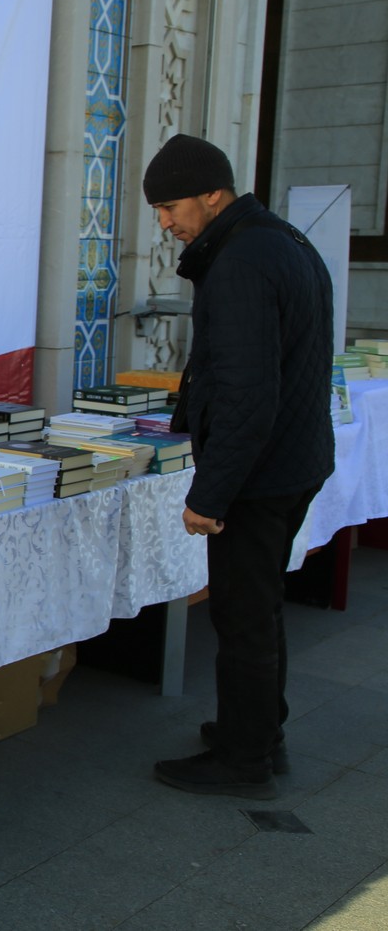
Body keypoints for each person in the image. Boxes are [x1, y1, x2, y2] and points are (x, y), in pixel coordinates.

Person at [144, 133, 334, 800]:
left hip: (261, 472)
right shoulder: (281, 241)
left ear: (212, 195)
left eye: (170, 207)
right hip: (293, 460)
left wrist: (211, 494)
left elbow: (246, 393)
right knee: (261, 605)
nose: (164, 223)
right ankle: (259, 732)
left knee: (242, 613)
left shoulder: (242, 262)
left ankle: (244, 758)